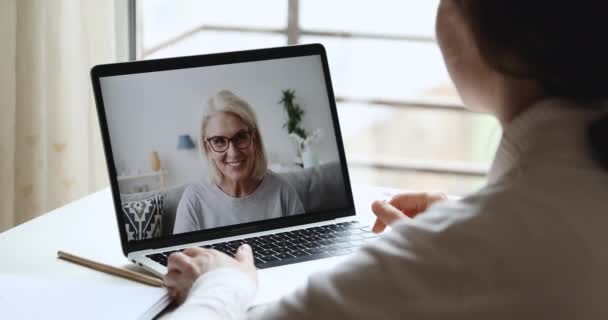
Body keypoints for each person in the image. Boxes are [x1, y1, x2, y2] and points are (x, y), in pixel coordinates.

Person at [164, 1, 608, 318]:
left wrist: (223, 285)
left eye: (240, 137)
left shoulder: (461, 249)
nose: (232, 150)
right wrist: (455, 230)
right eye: (218, 142)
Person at [173, 90, 305, 234]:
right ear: (207, 148)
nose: (233, 153)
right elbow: (183, 256)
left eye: (241, 137)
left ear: (254, 139)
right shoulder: (193, 200)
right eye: (219, 141)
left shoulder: (283, 192)